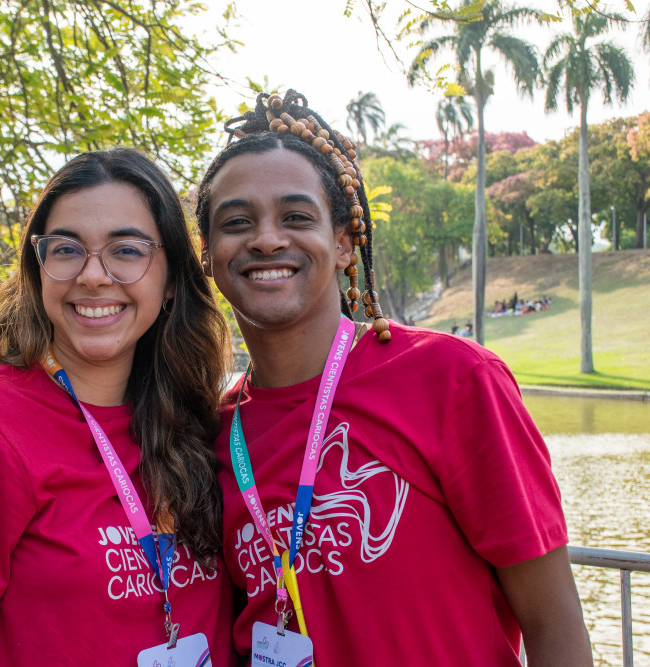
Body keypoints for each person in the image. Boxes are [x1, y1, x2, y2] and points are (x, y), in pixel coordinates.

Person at [195, 90, 592, 666]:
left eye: (296, 217)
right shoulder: (213, 430)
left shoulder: (452, 379)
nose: (267, 239)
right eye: (237, 222)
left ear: (343, 244)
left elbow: (553, 622)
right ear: (207, 254)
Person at [0, 148, 236, 666]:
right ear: (39, 271)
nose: (93, 275)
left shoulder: (201, 421)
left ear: (169, 282)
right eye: (67, 249)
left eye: (126, 250)